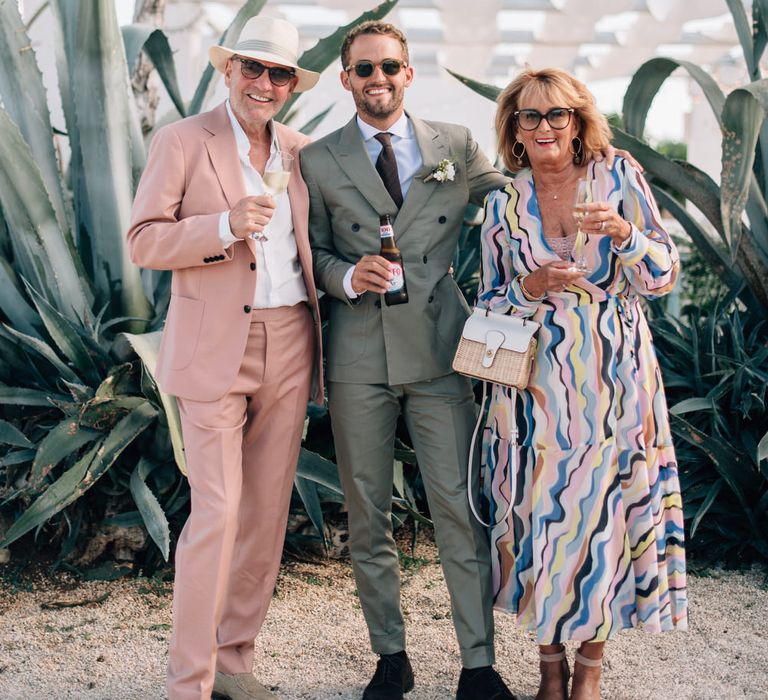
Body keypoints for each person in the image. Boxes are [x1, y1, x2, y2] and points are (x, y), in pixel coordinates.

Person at [299, 20, 515, 700]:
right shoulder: (317, 159)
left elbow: (514, 200)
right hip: (357, 355)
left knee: (458, 508)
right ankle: (390, 658)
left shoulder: (456, 145)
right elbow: (309, 253)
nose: (379, 79)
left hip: (441, 353)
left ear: (408, 73)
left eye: (390, 67)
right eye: (364, 70)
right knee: (368, 515)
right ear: (346, 80)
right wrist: (342, 275)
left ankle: (478, 666)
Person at [126, 16, 322, 700]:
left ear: (292, 86)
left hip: (292, 338)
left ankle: (234, 661)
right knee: (219, 510)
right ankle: (190, 681)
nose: (264, 83)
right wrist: (221, 227)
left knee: (267, 511)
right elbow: (144, 241)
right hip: (213, 347)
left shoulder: (302, 150)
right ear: (228, 70)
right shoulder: (181, 140)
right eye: (253, 68)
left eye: (279, 74)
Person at [477, 67, 687, 700]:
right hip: (537, 387)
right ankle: (548, 664)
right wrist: (529, 288)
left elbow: (664, 275)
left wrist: (625, 235)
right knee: (541, 513)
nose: (544, 127)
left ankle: (591, 666)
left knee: (611, 513)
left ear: (577, 122)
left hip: (617, 378)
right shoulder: (501, 203)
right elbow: (487, 303)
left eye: (556, 115)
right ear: (514, 128)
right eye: (530, 117)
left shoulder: (619, 175)